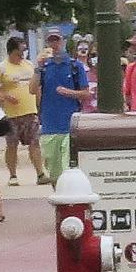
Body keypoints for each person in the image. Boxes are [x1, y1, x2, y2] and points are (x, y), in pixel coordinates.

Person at [0, 35, 46, 185]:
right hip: (11, 114)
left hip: (30, 111)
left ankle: (40, 173)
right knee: (12, 145)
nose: (22, 55)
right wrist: (5, 96)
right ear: (12, 51)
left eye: (24, 51)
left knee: (35, 143)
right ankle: (13, 175)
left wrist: (40, 105)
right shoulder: (1, 68)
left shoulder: (28, 65)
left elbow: (37, 85)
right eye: (19, 52)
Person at [36, 31, 88, 183]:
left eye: (57, 41)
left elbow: (85, 93)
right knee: (54, 170)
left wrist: (68, 92)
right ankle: (59, 198)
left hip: (69, 125)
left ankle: (68, 202)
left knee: (68, 169)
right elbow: (32, 89)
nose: (55, 45)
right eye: (51, 41)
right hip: (49, 125)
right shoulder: (45, 67)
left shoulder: (75, 66)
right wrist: (37, 67)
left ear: (63, 42)